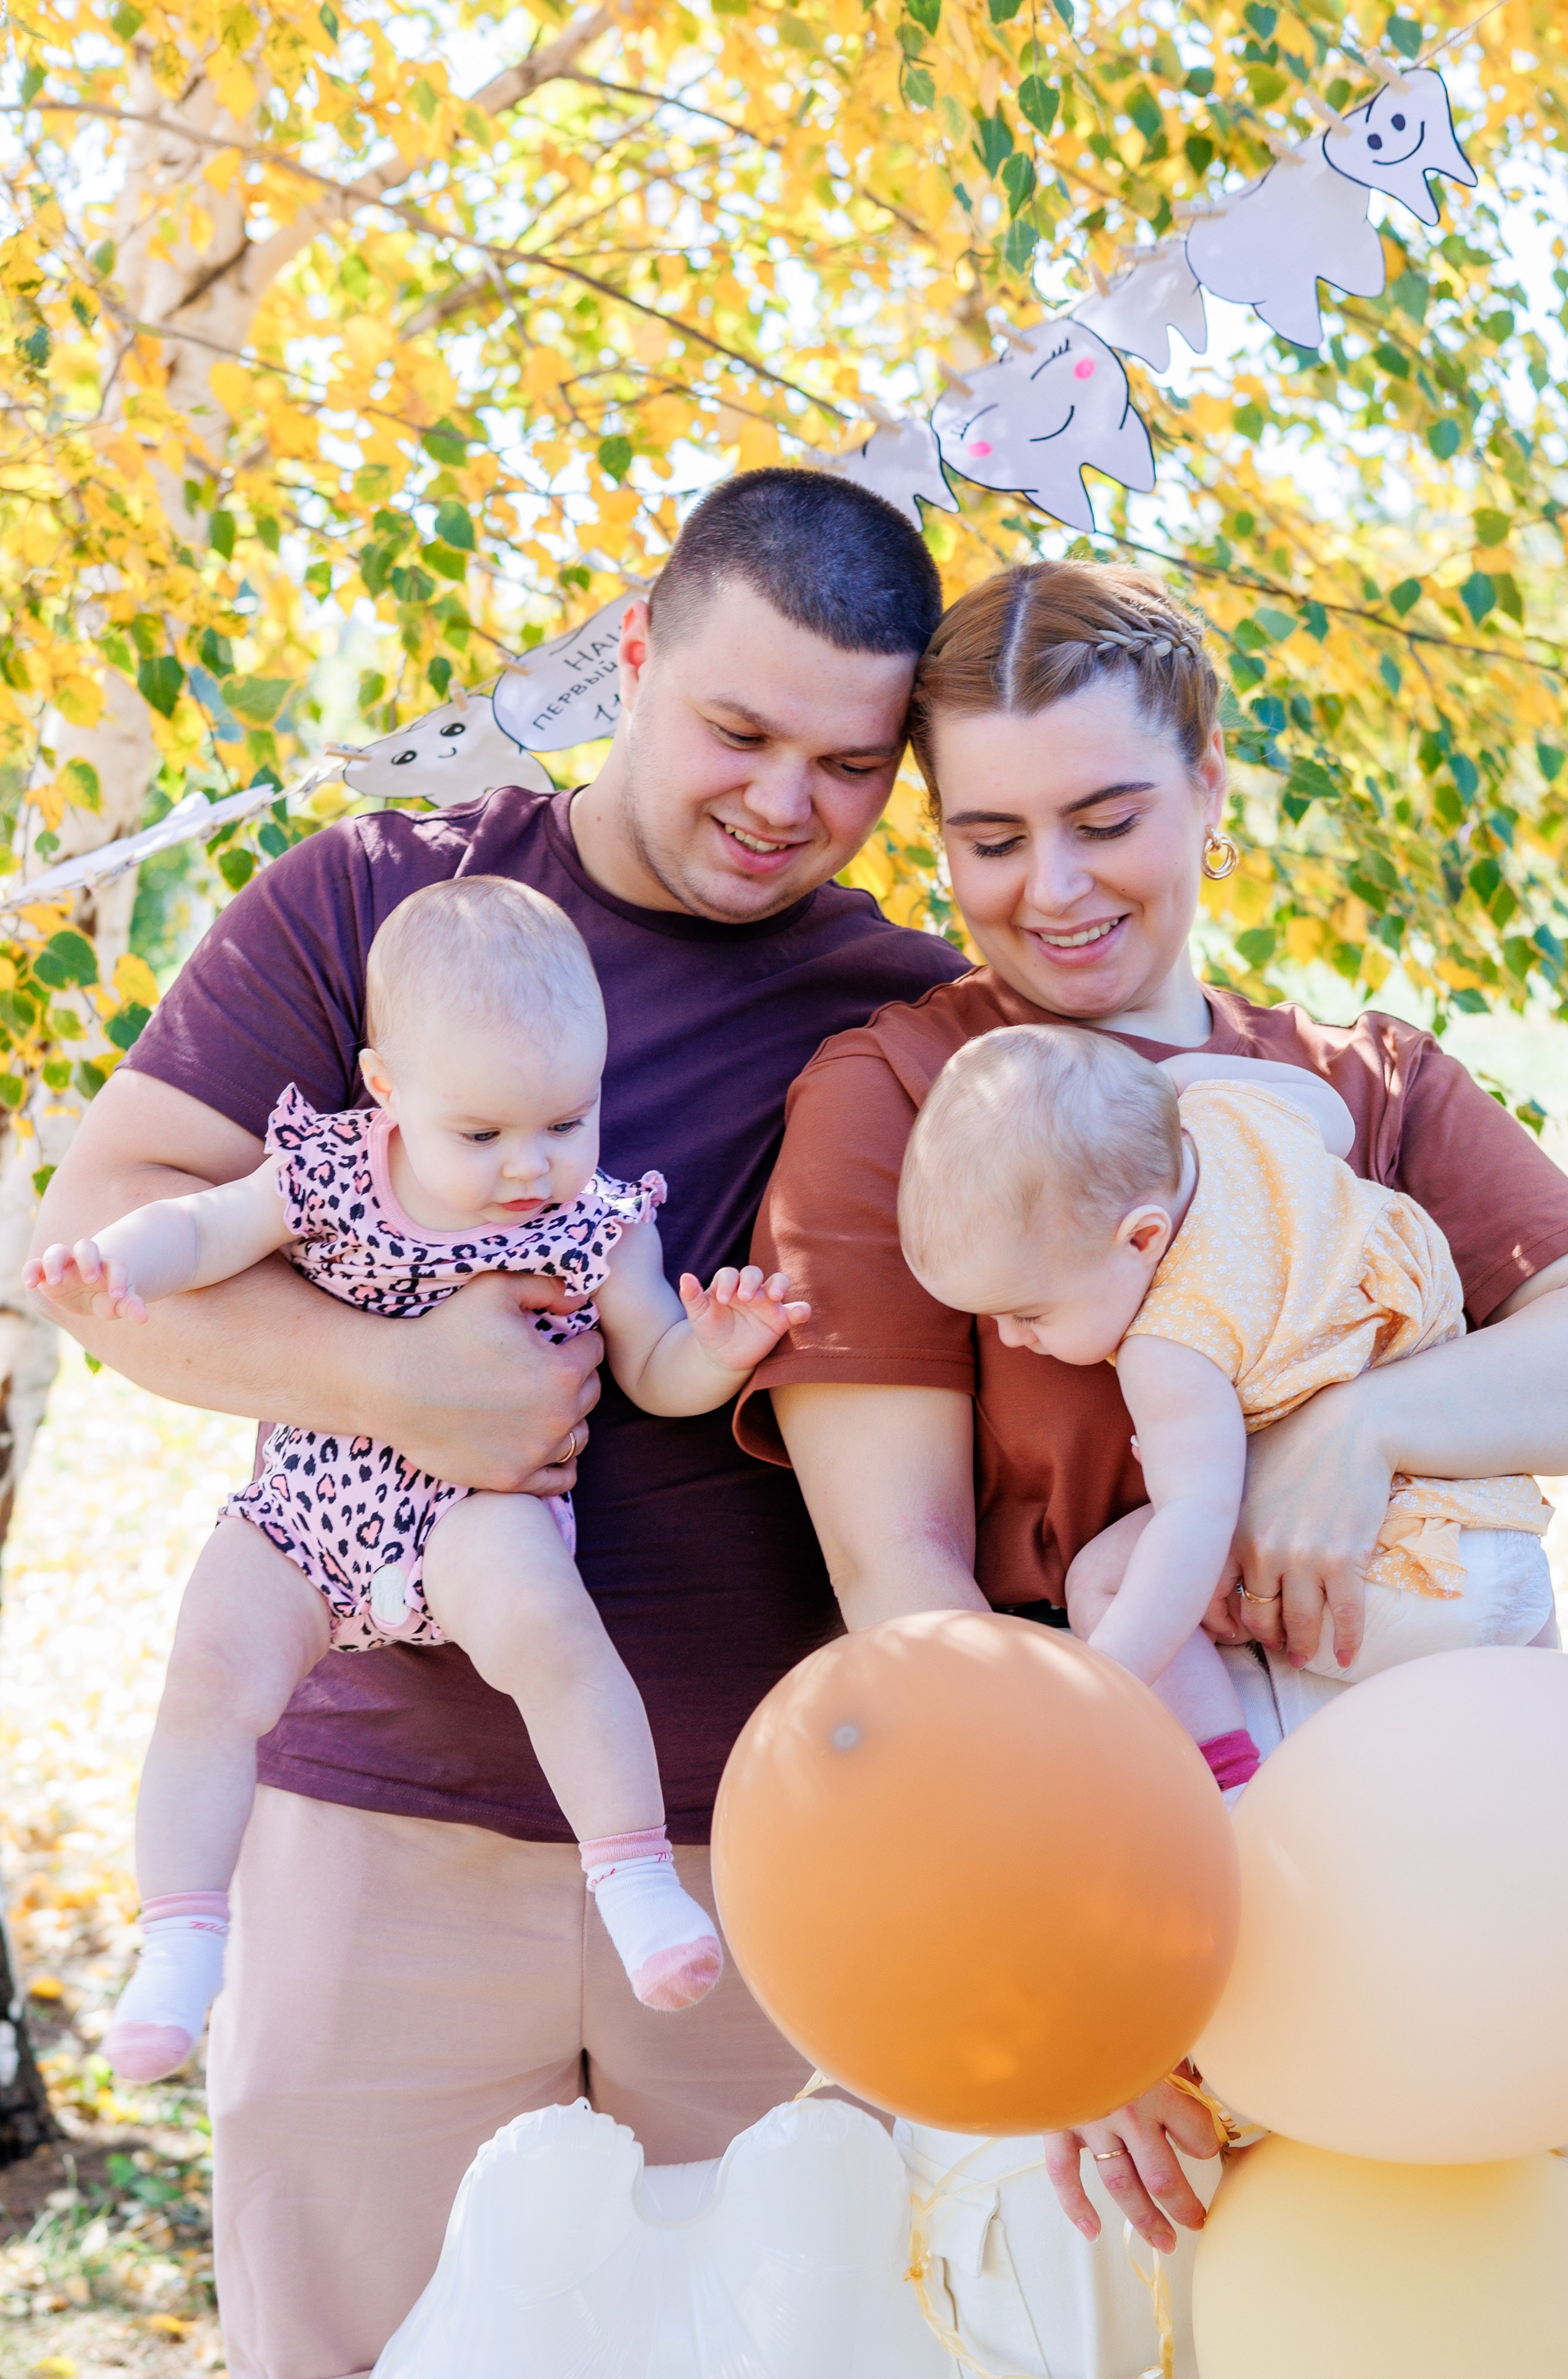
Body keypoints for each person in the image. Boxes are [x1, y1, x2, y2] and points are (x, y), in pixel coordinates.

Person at [30, 468, 968, 2379]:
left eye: (851, 764)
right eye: (737, 728)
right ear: (633, 653)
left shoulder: (912, 1012)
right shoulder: (376, 904)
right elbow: (99, 1233)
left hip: (766, 1858)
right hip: (379, 1828)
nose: (783, 800)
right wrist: (401, 1382)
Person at [740, 556, 1568, 2261]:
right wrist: (1065, 1977)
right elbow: (902, 1574)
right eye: (990, 838)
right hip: (1084, 1864)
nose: (1050, 888)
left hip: (1454, 1884)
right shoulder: (903, 1100)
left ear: (1206, 785)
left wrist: (1359, 1429)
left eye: (1106, 817)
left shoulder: (1360, 1086)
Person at [33, 878, 820, 2079]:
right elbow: (196, 1231)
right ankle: (181, 1941)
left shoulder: (597, 1223)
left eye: (567, 1121)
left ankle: (633, 1875)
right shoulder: (329, 1171)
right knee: (209, 1674)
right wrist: (114, 1261)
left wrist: (716, 1349)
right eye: (483, 1135)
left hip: (475, 1511)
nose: (530, 1166)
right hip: (308, 1507)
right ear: (388, 1091)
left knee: (552, 1635)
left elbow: (655, 1368)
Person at [897, 1023, 1554, 1787]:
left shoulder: (1171, 1343)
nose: (1012, 1339)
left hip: (1387, 1587)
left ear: (1142, 1239)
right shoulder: (1238, 1115)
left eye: (1028, 1313)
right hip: (1500, 1545)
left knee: (1103, 1580)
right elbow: (1334, 1119)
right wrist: (1181, 1080)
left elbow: (1196, 1521)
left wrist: (1102, 1678)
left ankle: (1227, 1780)